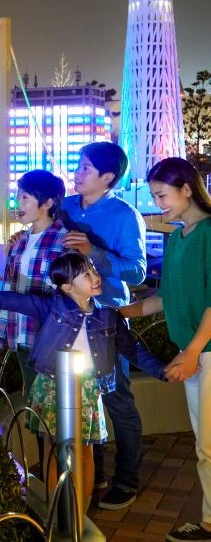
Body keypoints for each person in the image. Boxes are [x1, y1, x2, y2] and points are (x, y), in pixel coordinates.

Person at [0, 251, 168, 517]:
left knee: (85, 452)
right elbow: (18, 301)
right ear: (67, 287)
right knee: (52, 450)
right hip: (51, 385)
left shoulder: (108, 316)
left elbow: (133, 350)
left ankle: (79, 515)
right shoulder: (53, 307)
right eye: (86, 274)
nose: (95, 277)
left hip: (87, 390)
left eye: (93, 270)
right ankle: (56, 511)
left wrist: (163, 371)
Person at [121, 158, 211, 542]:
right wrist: (118, 313)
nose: (157, 204)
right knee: (205, 444)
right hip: (197, 352)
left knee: (208, 445)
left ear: (186, 189)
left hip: (205, 352)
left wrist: (191, 352)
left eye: (162, 195)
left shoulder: (209, 234)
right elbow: (163, 298)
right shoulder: (177, 239)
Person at [60, 141, 148, 509]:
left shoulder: (125, 215)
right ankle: (92, 472)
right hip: (66, 317)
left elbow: (137, 271)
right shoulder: (65, 207)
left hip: (106, 319)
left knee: (116, 399)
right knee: (78, 399)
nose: (77, 173)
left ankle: (127, 479)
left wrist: (93, 252)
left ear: (107, 177)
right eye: (78, 166)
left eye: (85, 168)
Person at [0, 170, 69, 391]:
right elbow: (8, 294)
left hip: (51, 342)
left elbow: (71, 299)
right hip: (21, 339)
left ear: (47, 203)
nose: (17, 202)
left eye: (25, 197)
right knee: (34, 404)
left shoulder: (66, 241)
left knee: (55, 405)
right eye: (17, 196)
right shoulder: (18, 243)